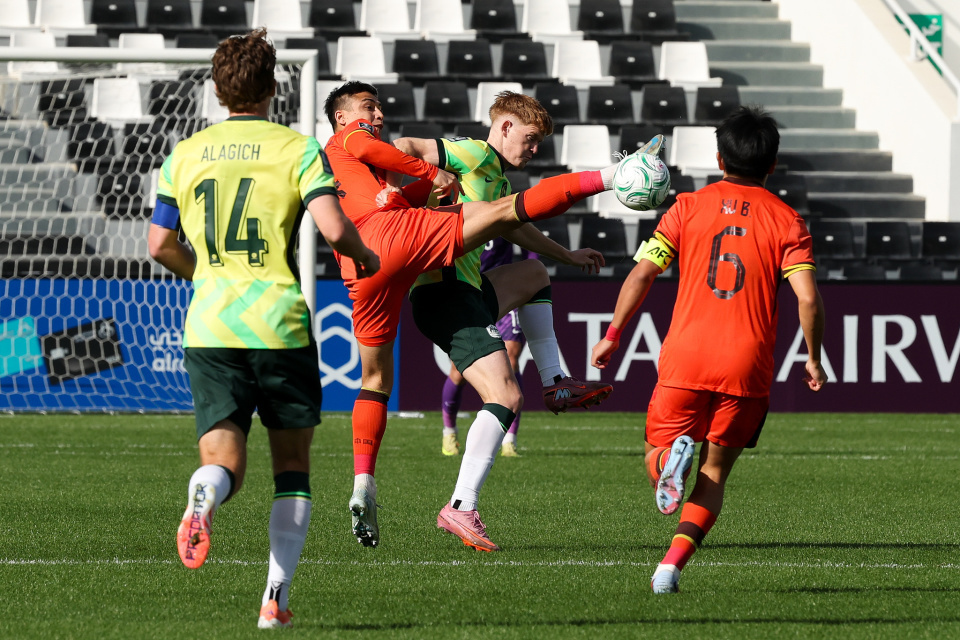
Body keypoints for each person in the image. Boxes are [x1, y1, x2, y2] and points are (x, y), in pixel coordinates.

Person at [322, 81, 634, 549]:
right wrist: (422, 176)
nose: (533, 149)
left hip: (427, 279)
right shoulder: (470, 153)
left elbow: (515, 223)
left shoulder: (497, 180)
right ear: (504, 127)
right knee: (505, 396)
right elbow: (402, 146)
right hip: (444, 290)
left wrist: (565, 256)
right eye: (529, 139)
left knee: (532, 275)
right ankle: (461, 506)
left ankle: (556, 381)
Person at [148, 30, 379, 629]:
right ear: (273, 87)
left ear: (217, 88)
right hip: (278, 324)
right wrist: (366, 256)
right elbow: (334, 229)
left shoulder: (184, 154)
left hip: (210, 325)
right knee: (292, 469)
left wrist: (207, 276)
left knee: (223, 458)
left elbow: (159, 244)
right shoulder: (299, 149)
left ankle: (204, 497)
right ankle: (274, 599)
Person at [590, 106, 827, 594]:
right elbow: (807, 298)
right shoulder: (788, 221)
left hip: (686, 357)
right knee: (714, 473)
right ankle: (669, 569)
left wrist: (613, 333)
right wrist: (813, 356)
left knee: (656, 454)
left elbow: (643, 273)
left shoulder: (686, 207)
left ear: (720, 159)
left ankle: (667, 464)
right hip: (747, 366)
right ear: (773, 164)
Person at [440, 239, 535, 458]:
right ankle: (449, 431)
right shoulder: (461, 219)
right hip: (468, 291)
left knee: (512, 358)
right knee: (458, 370)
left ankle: (509, 440)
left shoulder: (504, 217)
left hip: (503, 290)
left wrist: (527, 279)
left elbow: (530, 246)